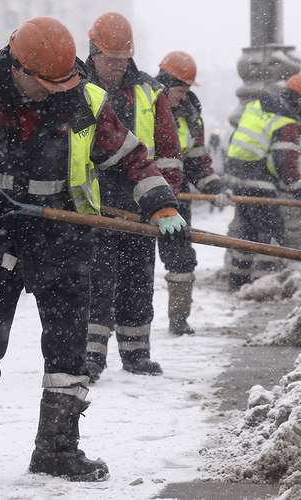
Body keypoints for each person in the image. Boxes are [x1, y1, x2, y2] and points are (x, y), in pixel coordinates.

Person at [0, 16, 183, 490]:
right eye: (45, 84)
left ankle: (57, 449)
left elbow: (131, 158)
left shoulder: (83, 98)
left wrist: (161, 204)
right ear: (18, 68)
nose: (54, 93)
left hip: (63, 232)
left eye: (63, 83)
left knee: (67, 342)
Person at [82, 12, 187, 382]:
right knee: (94, 281)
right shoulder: (76, 89)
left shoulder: (149, 92)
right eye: (109, 59)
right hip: (91, 206)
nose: (115, 67)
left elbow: (169, 153)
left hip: (140, 204)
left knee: (137, 281)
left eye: (121, 60)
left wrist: (164, 202)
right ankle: (90, 356)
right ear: (93, 53)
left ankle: (136, 354)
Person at [155, 50, 229, 335]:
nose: (183, 95)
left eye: (186, 90)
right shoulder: (146, 106)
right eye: (179, 89)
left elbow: (197, 160)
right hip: (139, 196)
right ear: (165, 83)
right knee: (131, 266)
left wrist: (214, 187)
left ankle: (178, 318)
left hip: (176, 199)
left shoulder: (190, 115)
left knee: (182, 258)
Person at [225, 74, 301, 291]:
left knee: (246, 236)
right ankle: (264, 287)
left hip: (239, 178)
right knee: (271, 233)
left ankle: (238, 282)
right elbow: (284, 160)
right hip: (260, 182)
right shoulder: (286, 120)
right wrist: (298, 188)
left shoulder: (259, 106)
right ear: (300, 100)